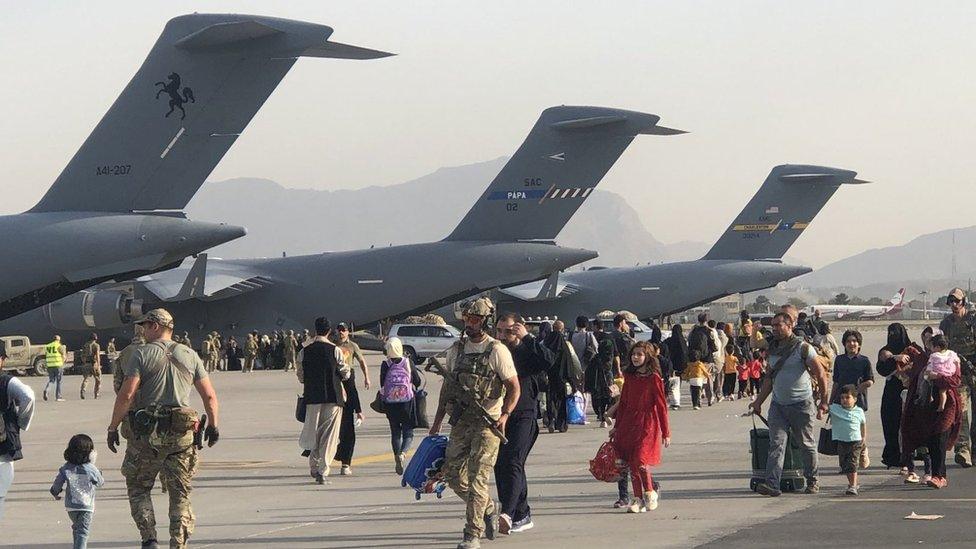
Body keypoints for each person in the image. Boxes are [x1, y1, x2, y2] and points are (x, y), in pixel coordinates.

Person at [107, 308, 219, 549]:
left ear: (156, 326)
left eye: (145, 326)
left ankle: (149, 539)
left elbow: (126, 395)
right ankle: (178, 543)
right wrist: (213, 425)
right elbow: (209, 396)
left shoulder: (141, 354)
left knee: (139, 487)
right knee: (180, 494)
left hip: (146, 436)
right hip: (181, 437)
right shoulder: (190, 354)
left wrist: (113, 427)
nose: (143, 330)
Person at [429, 297, 519, 549]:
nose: (470, 323)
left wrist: (505, 415)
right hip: (460, 421)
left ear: (486, 321)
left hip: (487, 424)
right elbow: (447, 388)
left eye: (476, 319)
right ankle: (487, 506)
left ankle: (472, 534)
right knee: (453, 476)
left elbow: (514, 387)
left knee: (478, 477)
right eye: (467, 318)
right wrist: (437, 422)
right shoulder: (456, 350)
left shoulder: (497, 350)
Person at [749, 311, 829, 497]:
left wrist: (824, 401)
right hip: (778, 405)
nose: (775, 329)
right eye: (773, 325)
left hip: (802, 404)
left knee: (806, 444)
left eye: (779, 325)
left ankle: (812, 480)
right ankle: (772, 484)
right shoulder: (772, 349)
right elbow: (769, 378)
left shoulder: (803, 348)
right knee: (776, 444)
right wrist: (758, 402)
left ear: (790, 325)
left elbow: (821, 374)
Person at [493, 312, 554, 536]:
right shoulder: (497, 350)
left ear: (519, 328)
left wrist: (528, 338)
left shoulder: (528, 349)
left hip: (524, 415)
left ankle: (507, 513)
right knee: (502, 464)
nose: (503, 335)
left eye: (508, 330)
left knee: (513, 462)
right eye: (499, 330)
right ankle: (522, 513)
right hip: (500, 415)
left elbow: (549, 360)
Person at [608, 341, 670, 513]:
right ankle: (637, 498)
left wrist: (666, 432)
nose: (636, 357)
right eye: (634, 354)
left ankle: (650, 492)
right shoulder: (629, 377)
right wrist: (617, 426)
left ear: (648, 357)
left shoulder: (654, 378)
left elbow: (661, 406)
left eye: (640, 354)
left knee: (641, 460)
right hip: (629, 423)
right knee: (631, 462)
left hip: (648, 423)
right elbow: (624, 403)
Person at [898, 327, 962, 488]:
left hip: (947, 405)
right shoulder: (920, 358)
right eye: (925, 338)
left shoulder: (951, 358)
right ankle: (935, 474)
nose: (928, 341)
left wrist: (938, 377)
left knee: (941, 437)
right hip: (924, 406)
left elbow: (955, 381)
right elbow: (902, 372)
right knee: (931, 441)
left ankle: (939, 475)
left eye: (931, 338)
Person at [297, 317, 350, 484]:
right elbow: (345, 372)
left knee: (314, 432)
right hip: (333, 397)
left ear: (315, 330)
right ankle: (323, 471)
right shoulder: (335, 350)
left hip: (312, 397)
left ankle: (313, 466)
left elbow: (301, 376)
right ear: (329, 331)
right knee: (329, 435)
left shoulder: (304, 351)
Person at [939, 288, 976, 467]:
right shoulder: (946, 324)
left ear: (964, 302)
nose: (954, 305)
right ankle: (963, 449)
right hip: (958, 373)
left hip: (974, 370)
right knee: (960, 410)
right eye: (951, 301)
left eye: (957, 301)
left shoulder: (973, 320)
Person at [50, 434, 104, 549]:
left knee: (77, 528)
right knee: (83, 531)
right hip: (86, 507)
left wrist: (55, 492)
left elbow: (58, 483)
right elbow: (100, 482)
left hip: (71, 507)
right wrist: (98, 473)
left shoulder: (66, 468)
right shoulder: (91, 468)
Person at [829, 329, 874, 468]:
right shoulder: (839, 360)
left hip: (857, 400)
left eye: (854, 341)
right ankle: (845, 463)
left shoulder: (864, 361)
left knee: (857, 429)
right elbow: (836, 381)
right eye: (848, 341)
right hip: (841, 400)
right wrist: (830, 401)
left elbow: (870, 380)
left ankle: (862, 449)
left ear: (859, 344)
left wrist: (857, 391)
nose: (851, 344)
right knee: (843, 430)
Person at [0, 347, 35, 523]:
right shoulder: (6, 381)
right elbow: (28, 396)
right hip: (2, 448)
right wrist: (20, 422)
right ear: (2, 360)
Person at [380, 337, 421, 474]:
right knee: (408, 432)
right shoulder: (407, 362)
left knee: (395, 432)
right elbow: (418, 381)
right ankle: (403, 454)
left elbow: (382, 384)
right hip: (406, 402)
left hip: (390, 404)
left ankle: (396, 455)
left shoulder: (385, 364)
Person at [876, 323, 913, 469]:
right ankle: (893, 456)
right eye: (890, 333)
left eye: (896, 333)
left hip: (907, 391)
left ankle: (908, 457)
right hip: (891, 393)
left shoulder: (911, 350)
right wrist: (894, 358)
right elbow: (882, 369)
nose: (893, 336)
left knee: (906, 425)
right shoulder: (885, 351)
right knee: (890, 423)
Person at [334, 322, 369, 475]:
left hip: (348, 380)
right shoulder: (331, 345)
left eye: (344, 330)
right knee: (333, 429)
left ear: (348, 332)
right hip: (334, 382)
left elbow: (362, 361)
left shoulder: (353, 346)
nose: (342, 333)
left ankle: (345, 463)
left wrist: (367, 377)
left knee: (348, 429)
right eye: (339, 330)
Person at [828, 385, 867, 495]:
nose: (844, 400)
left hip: (855, 441)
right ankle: (852, 483)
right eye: (842, 398)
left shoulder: (859, 411)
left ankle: (853, 486)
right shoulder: (835, 409)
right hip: (841, 441)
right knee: (844, 464)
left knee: (852, 463)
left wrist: (864, 438)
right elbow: (825, 407)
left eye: (847, 397)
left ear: (854, 399)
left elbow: (863, 425)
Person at [542, 320, 579, 434]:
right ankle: (561, 424)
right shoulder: (564, 344)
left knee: (550, 399)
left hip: (549, 376)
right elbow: (571, 362)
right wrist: (573, 382)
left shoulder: (545, 343)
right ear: (562, 329)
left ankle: (551, 420)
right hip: (562, 377)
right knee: (561, 400)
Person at [587, 320, 617, 426]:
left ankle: (600, 415)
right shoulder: (609, 338)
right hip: (608, 371)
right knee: (611, 392)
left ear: (595, 326)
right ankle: (608, 411)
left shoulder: (590, 337)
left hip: (595, 372)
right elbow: (616, 355)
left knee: (597, 394)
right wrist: (618, 369)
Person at [919, 333, 959, 411]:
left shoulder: (934, 356)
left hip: (944, 387)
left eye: (932, 347)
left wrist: (929, 374)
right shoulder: (951, 354)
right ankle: (940, 404)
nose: (931, 349)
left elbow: (929, 367)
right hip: (949, 375)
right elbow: (957, 362)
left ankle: (938, 403)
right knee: (942, 392)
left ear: (937, 347)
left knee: (928, 384)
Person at [665, 324, 688, 409]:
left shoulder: (668, 341)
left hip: (670, 364)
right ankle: (676, 400)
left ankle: (670, 400)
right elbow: (685, 354)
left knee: (669, 382)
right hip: (680, 365)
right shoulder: (683, 341)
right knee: (678, 383)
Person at [44, 334, 67, 402]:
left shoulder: (48, 346)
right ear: (58, 340)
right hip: (58, 365)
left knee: (52, 380)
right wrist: (63, 362)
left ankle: (47, 390)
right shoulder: (59, 346)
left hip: (50, 365)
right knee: (59, 381)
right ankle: (58, 397)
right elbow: (63, 356)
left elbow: (46, 355)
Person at [81, 333, 101, 399]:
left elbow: (82, 355)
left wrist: (84, 362)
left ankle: (83, 390)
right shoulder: (96, 345)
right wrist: (98, 365)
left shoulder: (85, 345)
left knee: (86, 379)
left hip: (86, 364)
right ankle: (96, 394)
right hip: (94, 363)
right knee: (98, 380)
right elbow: (97, 355)